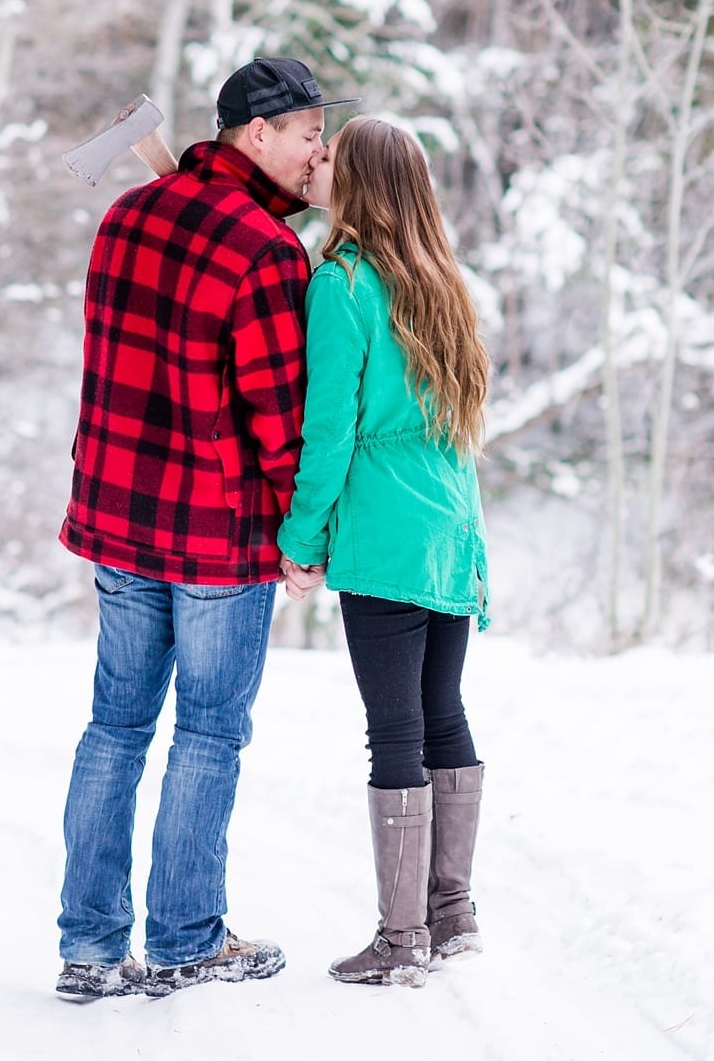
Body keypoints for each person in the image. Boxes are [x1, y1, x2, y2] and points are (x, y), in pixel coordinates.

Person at [54, 57, 356, 1001]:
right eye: (310, 133)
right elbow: (279, 421)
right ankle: (186, 938)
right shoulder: (264, 256)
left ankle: (91, 949)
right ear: (255, 135)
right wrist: (306, 538)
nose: (319, 152)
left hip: (116, 515)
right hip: (215, 537)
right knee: (209, 735)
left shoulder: (128, 216)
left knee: (115, 729)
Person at [276, 115, 491, 989]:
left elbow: (328, 431)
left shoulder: (344, 284)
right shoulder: (444, 281)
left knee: (395, 727)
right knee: (442, 709)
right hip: (452, 528)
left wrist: (302, 540)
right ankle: (452, 915)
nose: (314, 166)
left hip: (385, 533)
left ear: (357, 182)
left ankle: (400, 940)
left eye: (327, 158)